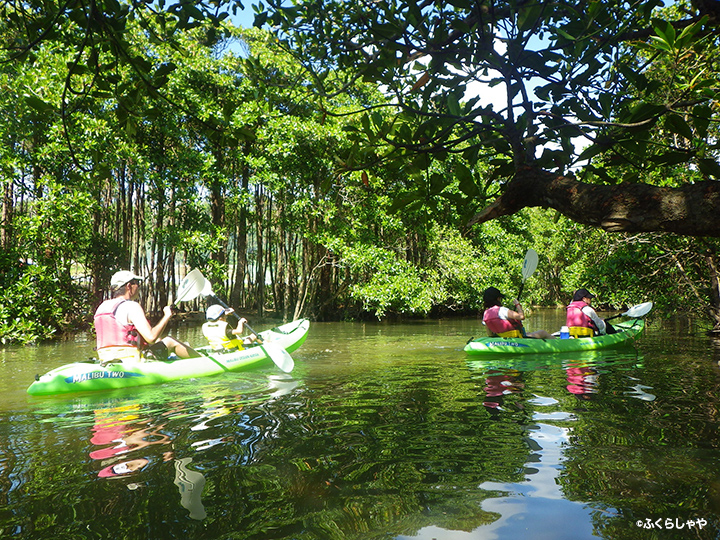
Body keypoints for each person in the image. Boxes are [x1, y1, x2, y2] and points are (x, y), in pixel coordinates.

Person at [94, 270, 199, 363]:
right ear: (129, 286)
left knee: (160, 340)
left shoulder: (102, 307)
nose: (139, 287)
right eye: (137, 284)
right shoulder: (131, 306)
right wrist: (167, 316)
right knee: (169, 341)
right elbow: (151, 338)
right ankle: (203, 361)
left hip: (105, 359)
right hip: (131, 360)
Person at [482, 287, 555, 339]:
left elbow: (490, 334)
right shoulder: (502, 310)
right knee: (543, 332)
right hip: (516, 339)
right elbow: (521, 317)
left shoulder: (486, 314)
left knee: (529, 333)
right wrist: (518, 305)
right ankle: (559, 343)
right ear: (498, 299)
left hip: (502, 338)